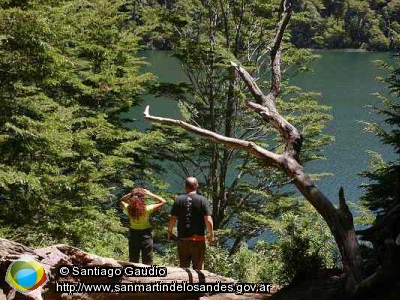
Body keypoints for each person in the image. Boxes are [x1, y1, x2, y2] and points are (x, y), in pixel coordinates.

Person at [168, 177, 214, 270]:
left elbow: (173, 218)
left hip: (183, 240)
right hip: (198, 240)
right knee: (199, 270)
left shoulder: (179, 199)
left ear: (185, 187)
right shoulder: (202, 200)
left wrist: (169, 231)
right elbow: (208, 219)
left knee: (183, 269)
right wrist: (211, 235)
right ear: (197, 186)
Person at [120, 188, 166, 265]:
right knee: (147, 259)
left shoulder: (128, 208)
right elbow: (163, 201)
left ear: (132, 198)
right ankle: (148, 275)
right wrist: (149, 193)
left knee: (133, 258)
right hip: (146, 234)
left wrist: (131, 194)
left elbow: (122, 200)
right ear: (142, 198)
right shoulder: (147, 209)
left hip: (133, 234)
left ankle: (132, 275)